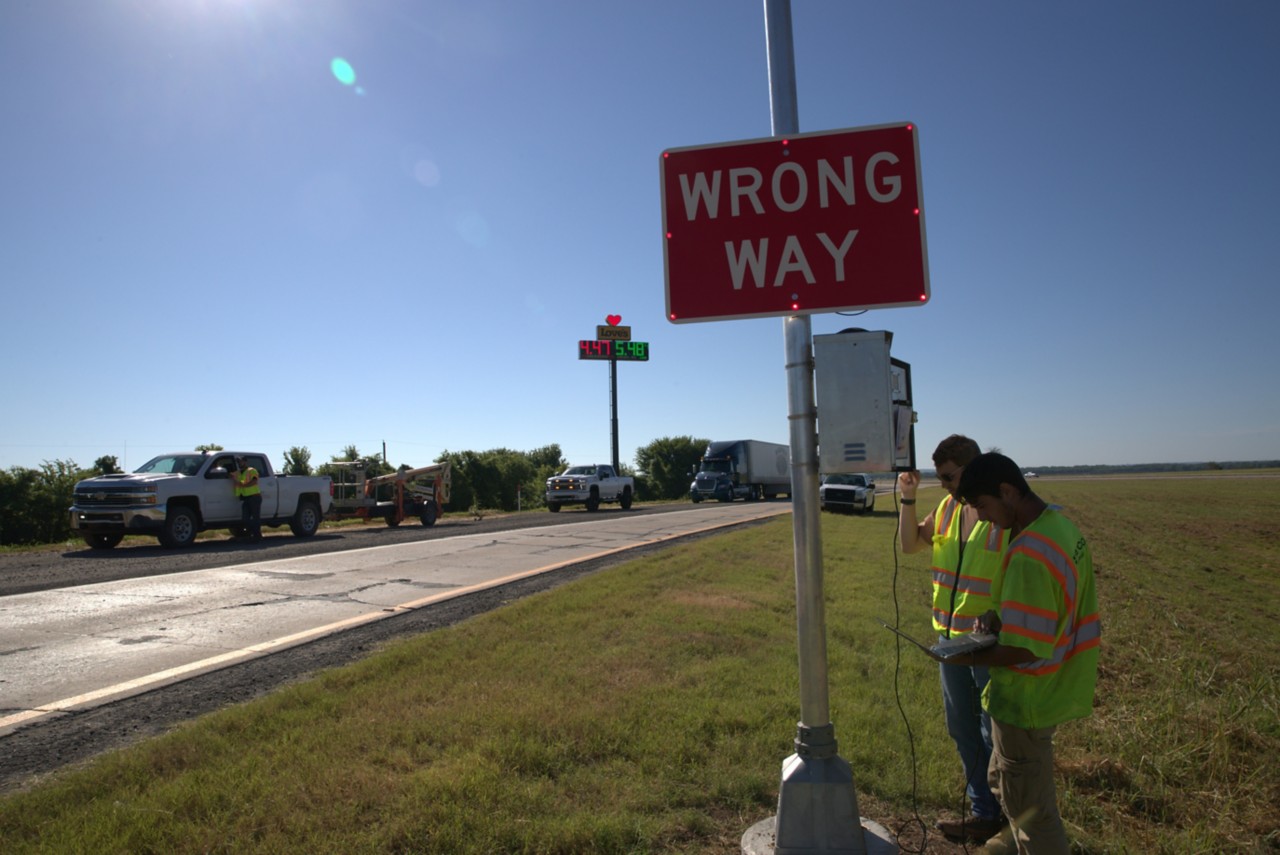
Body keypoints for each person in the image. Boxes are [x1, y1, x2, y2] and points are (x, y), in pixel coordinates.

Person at [947, 453, 1101, 854]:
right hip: (1051, 688)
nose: (981, 518)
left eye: (982, 505)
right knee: (1011, 786)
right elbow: (1046, 609)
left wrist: (965, 656)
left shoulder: (1030, 552)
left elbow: (1025, 646)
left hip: (1026, 700)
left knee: (1034, 812)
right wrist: (1001, 616)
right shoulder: (1058, 528)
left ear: (1008, 491)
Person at [898, 434, 1009, 844]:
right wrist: (908, 498)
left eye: (950, 477)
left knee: (992, 733)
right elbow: (910, 544)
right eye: (940, 479)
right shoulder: (946, 509)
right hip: (949, 644)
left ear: (972, 468)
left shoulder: (999, 512)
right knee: (962, 729)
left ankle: (1008, 817)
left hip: (989, 646)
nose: (945, 486)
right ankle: (984, 813)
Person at [230, 456, 263, 542]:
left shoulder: (251, 470)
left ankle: (257, 537)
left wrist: (243, 485)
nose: (239, 463)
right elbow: (230, 475)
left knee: (256, 518)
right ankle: (250, 534)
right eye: (238, 462)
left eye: (240, 461)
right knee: (245, 518)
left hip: (254, 496)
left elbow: (254, 481)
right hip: (246, 498)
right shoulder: (238, 473)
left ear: (245, 461)